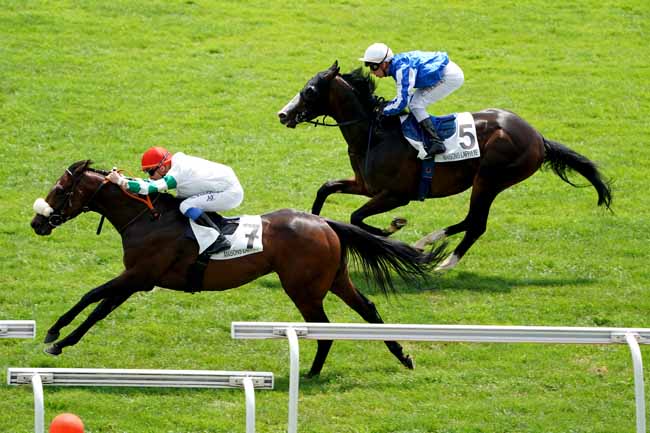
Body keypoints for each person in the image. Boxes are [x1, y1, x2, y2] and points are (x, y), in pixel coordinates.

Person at [107, 146, 243, 255]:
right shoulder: (174, 165)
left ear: (162, 167)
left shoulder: (178, 173)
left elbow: (150, 188)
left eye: (150, 172)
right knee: (181, 203)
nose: (150, 176)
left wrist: (120, 181)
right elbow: (151, 183)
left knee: (186, 205)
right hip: (221, 185)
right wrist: (125, 179)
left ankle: (218, 240)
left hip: (230, 193)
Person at [359, 42, 464, 157]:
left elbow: (402, 102)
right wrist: (385, 108)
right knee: (414, 103)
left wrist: (382, 111)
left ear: (384, 64)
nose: (372, 72)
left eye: (373, 66)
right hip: (443, 71)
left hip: (449, 76)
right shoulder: (397, 67)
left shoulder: (401, 70)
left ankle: (437, 141)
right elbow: (404, 96)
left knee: (416, 104)